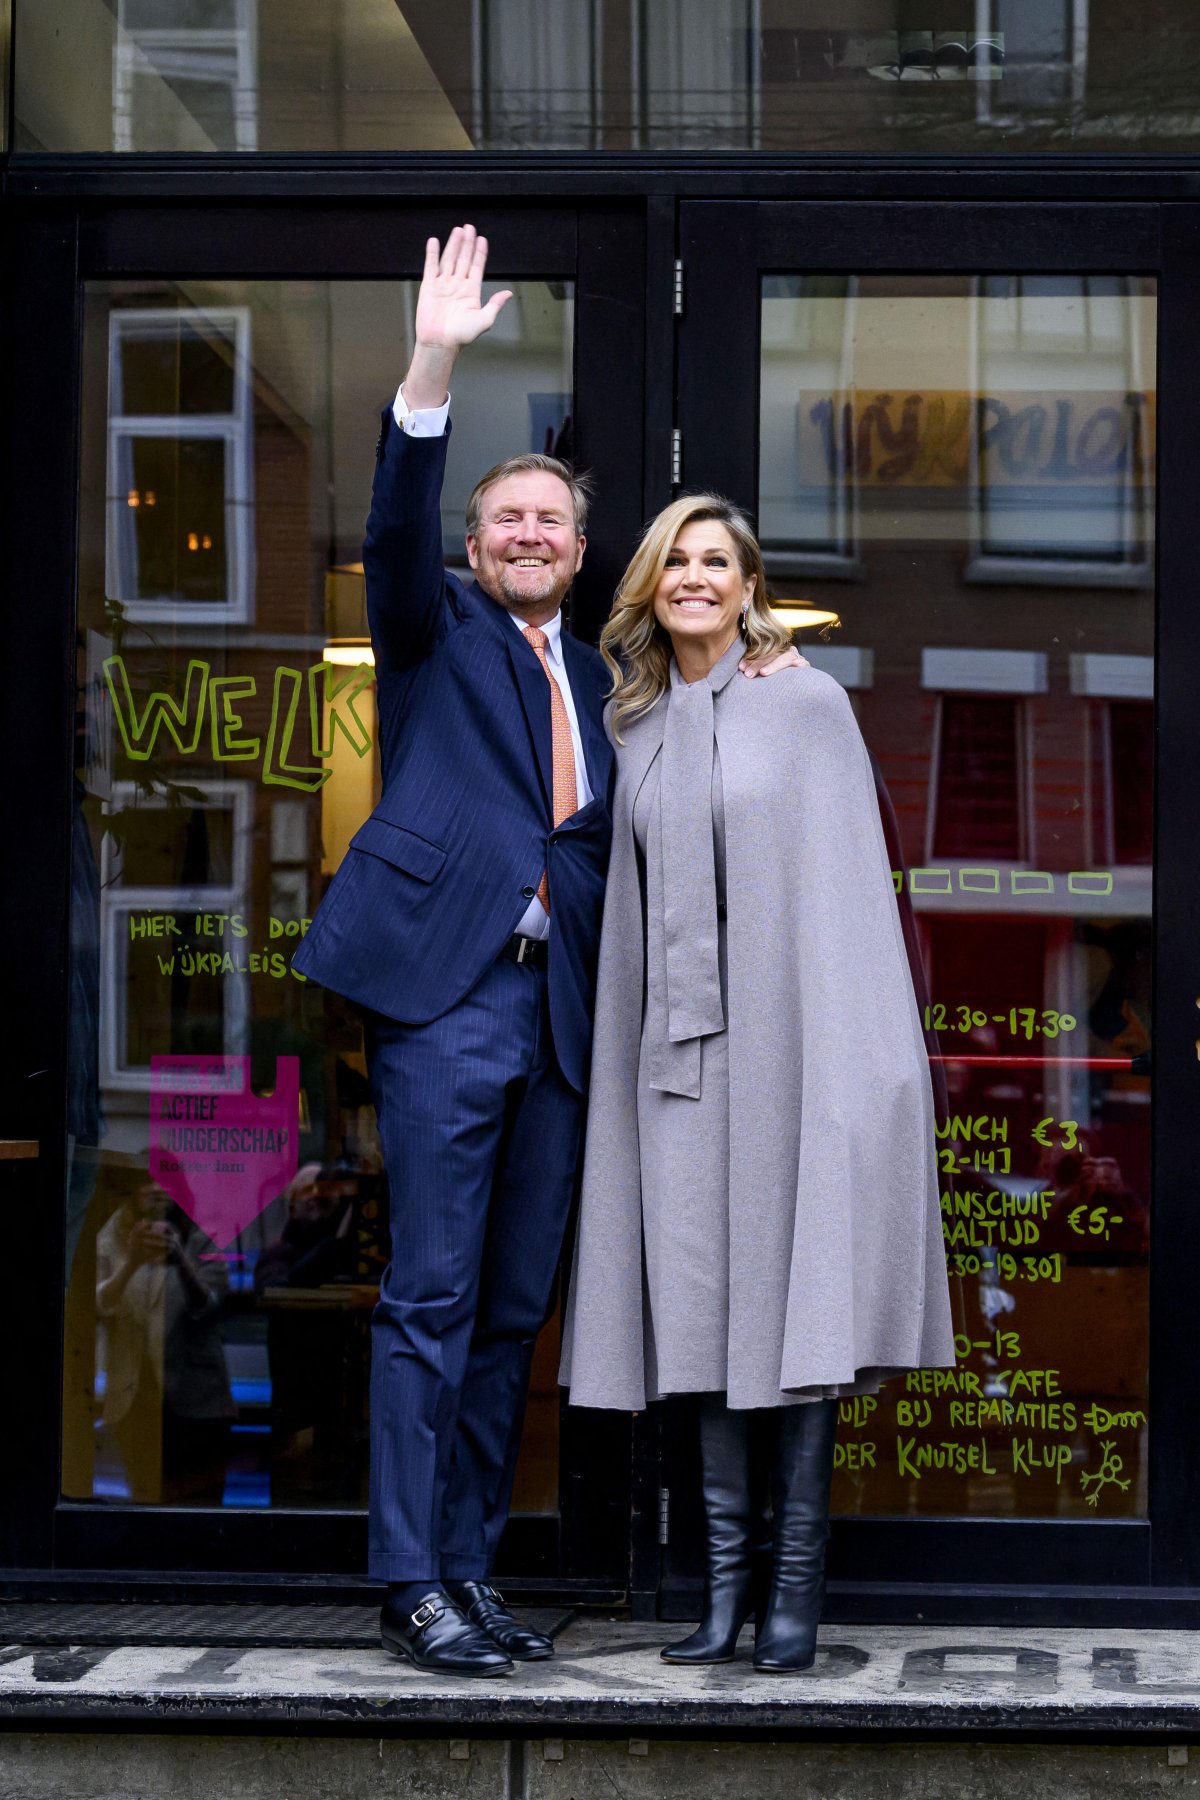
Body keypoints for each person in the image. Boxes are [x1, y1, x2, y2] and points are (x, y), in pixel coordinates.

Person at [295, 225, 802, 1677]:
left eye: (551, 525)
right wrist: (434, 358)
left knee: (512, 1314)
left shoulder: (605, 679)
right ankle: (410, 1584)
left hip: (566, 1021)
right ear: (476, 546)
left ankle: (468, 1569)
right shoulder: (429, 627)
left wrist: (765, 656)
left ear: (583, 558)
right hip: (448, 1003)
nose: (526, 535)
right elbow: (393, 524)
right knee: (432, 1298)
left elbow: (698, 744)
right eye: (504, 518)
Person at [560, 493, 956, 1674]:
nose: (693, 577)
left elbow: (845, 905)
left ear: (748, 585)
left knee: (795, 1310)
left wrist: (861, 1069)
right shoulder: (633, 722)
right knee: (703, 1317)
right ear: (649, 584)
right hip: (680, 1068)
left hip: (793, 1054)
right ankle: (723, 1598)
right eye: (674, 560)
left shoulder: (808, 706)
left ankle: (794, 1597)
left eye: (715, 561)